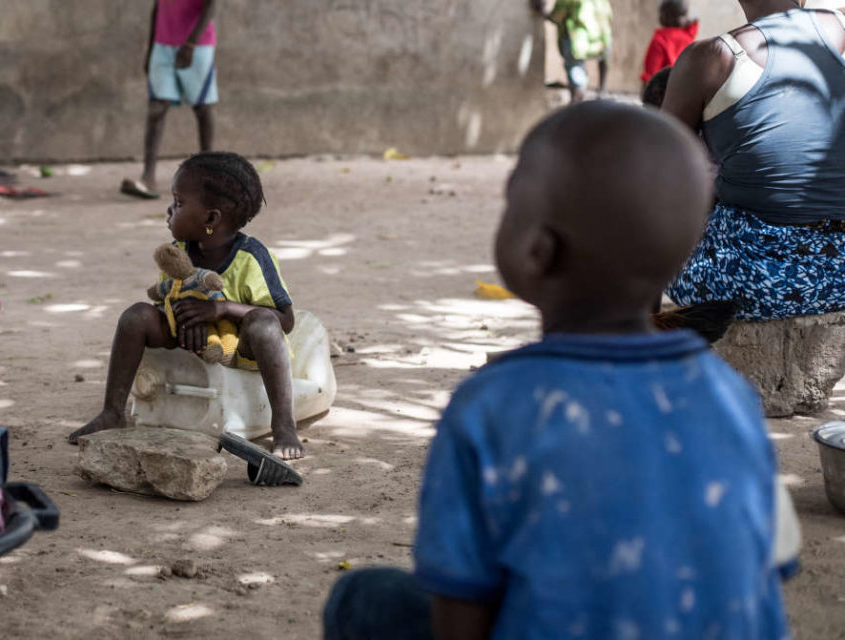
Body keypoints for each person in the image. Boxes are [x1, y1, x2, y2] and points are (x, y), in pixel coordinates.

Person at [322, 102, 798, 639]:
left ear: (535, 250)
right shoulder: (731, 397)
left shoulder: (493, 406)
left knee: (363, 599)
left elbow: (461, 613)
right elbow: (767, 575)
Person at [72, 152, 303, 460]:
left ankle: (284, 425)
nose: (169, 210)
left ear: (210, 218)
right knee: (136, 316)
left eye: (178, 203)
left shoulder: (252, 257)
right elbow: (171, 298)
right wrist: (187, 322)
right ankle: (112, 412)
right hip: (193, 341)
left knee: (264, 324)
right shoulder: (177, 253)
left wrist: (221, 310)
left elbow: (285, 320)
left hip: (243, 349)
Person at [662, 1, 845, 320]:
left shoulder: (712, 58)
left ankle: (635, 341)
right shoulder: (840, 28)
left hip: (753, 282)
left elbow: (661, 171)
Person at [119, 0, 217, 200]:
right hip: (162, 46)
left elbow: (210, 6)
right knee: (156, 107)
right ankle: (148, 178)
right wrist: (150, 49)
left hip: (197, 46)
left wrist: (190, 44)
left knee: (202, 108)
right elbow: (158, 8)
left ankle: (210, 176)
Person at [533, 0, 613, 102]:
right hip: (600, 37)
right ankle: (602, 90)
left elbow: (557, 16)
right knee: (602, 59)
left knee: (576, 74)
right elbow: (608, 14)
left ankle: (576, 105)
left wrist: (543, 11)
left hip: (578, 38)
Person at [641, 0, 699, 86]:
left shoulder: (660, 39)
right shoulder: (688, 36)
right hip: (685, 88)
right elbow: (694, 25)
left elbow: (651, 72)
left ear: (665, 16)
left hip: (665, 89)